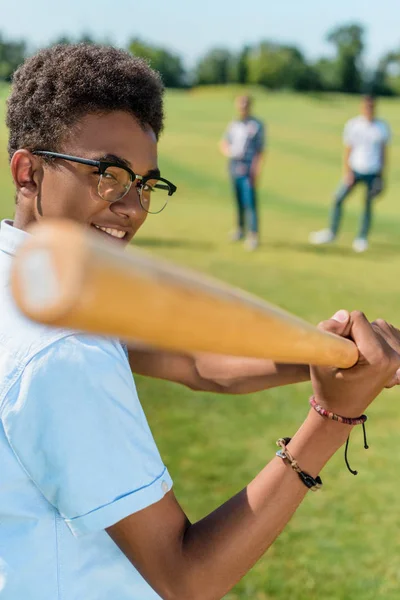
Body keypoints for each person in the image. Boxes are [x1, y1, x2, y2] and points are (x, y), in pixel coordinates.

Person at [1, 44, 400, 600]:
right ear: (29, 172)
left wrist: (330, 354)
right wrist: (334, 416)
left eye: (146, 184)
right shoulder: (64, 348)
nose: (133, 207)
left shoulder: (43, 285)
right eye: (108, 175)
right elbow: (187, 577)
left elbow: (194, 362)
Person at [309, 95, 390, 253]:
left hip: (373, 171)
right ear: (362, 107)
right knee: (338, 198)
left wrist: (382, 175)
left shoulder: (381, 127)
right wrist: (347, 172)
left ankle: (361, 237)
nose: (369, 110)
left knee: (367, 205)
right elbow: (348, 150)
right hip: (355, 169)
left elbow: (383, 153)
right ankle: (332, 231)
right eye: (367, 107)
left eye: (372, 107)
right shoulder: (354, 125)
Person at [219, 95, 265, 251]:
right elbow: (224, 142)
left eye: (245, 104)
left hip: (248, 168)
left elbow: (260, 150)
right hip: (235, 166)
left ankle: (253, 234)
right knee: (238, 200)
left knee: (250, 202)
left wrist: (256, 170)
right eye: (240, 104)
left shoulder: (256, 125)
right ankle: (240, 229)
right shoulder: (234, 124)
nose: (242, 107)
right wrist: (229, 151)